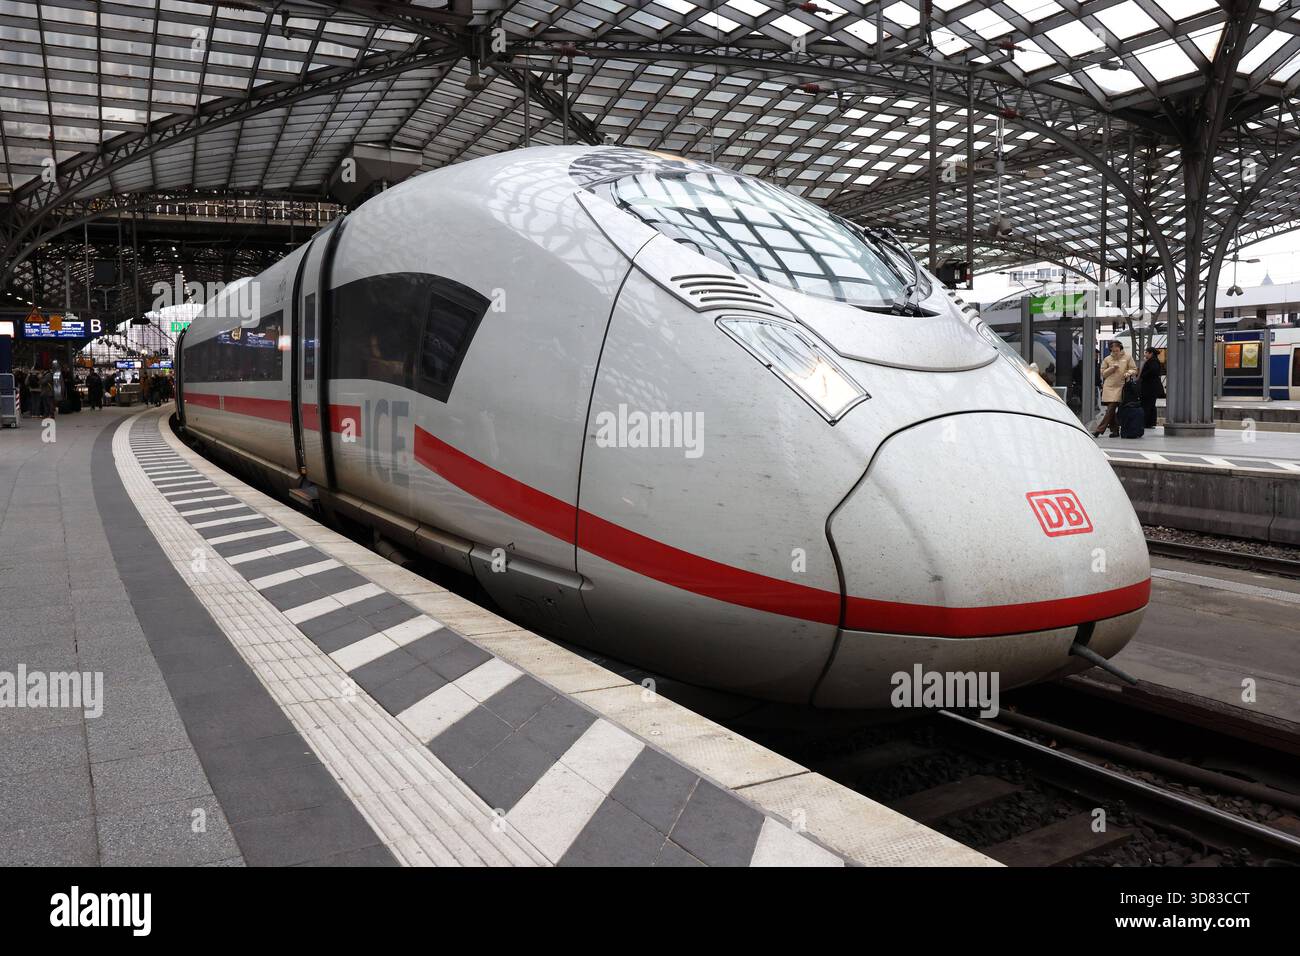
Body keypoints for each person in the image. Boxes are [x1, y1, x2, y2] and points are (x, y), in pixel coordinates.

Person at [1093, 340, 1136, 438]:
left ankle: (1099, 430)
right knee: (1110, 410)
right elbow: (1103, 373)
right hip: (1109, 386)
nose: (1115, 352)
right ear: (1110, 350)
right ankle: (1115, 431)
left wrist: (1128, 373)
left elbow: (1134, 369)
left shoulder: (1128, 357)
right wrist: (1112, 368)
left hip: (1121, 386)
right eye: (1113, 350)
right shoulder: (1107, 359)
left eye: (1117, 350)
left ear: (1120, 348)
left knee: (1111, 408)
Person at [1139, 347, 1164, 429]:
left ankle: (1146, 423)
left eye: (1146, 352)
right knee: (1151, 405)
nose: (1145, 354)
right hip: (1152, 387)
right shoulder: (1154, 361)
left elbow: (1152, 371)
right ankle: (1150, 422)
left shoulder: (1152, 361)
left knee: (1147, 405)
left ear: (1151, 353)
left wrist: (1143, 375)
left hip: (1149, 387)